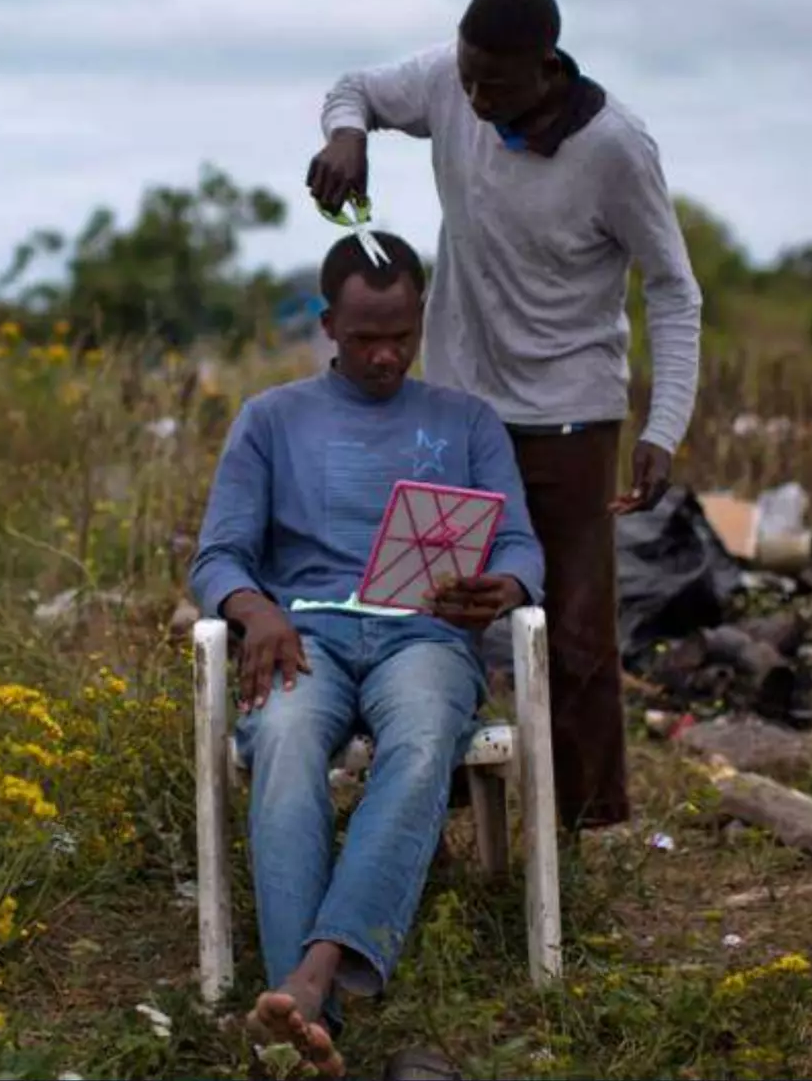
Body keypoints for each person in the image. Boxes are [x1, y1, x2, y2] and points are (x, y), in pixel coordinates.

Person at [307, 0, 704, 834]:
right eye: (467, 76)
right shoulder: (454, 80)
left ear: (547, 67)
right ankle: (427, 803)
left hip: (570, 413)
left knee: (573, 632)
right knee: (431, 606)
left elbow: (673, 290)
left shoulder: (615, 148)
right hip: (459, 408)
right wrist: (348, 137)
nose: (475, 98)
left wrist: (663, 425)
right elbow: (358, 89)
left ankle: (584, 834)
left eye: (496, 84)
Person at [188, 230, 545, 1079]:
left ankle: (308, 984)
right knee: (280, 741)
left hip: (424, 634)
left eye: (401, 337)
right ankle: (314, 1001)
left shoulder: (467, 420)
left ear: (422, 318)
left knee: (423, 740)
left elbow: (524, 546)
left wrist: (501, 590)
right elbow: (217, 558)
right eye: (363, 339)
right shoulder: (271, 419)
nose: (385, 357)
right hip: (302, 634)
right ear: (326, 325)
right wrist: (255, 609)